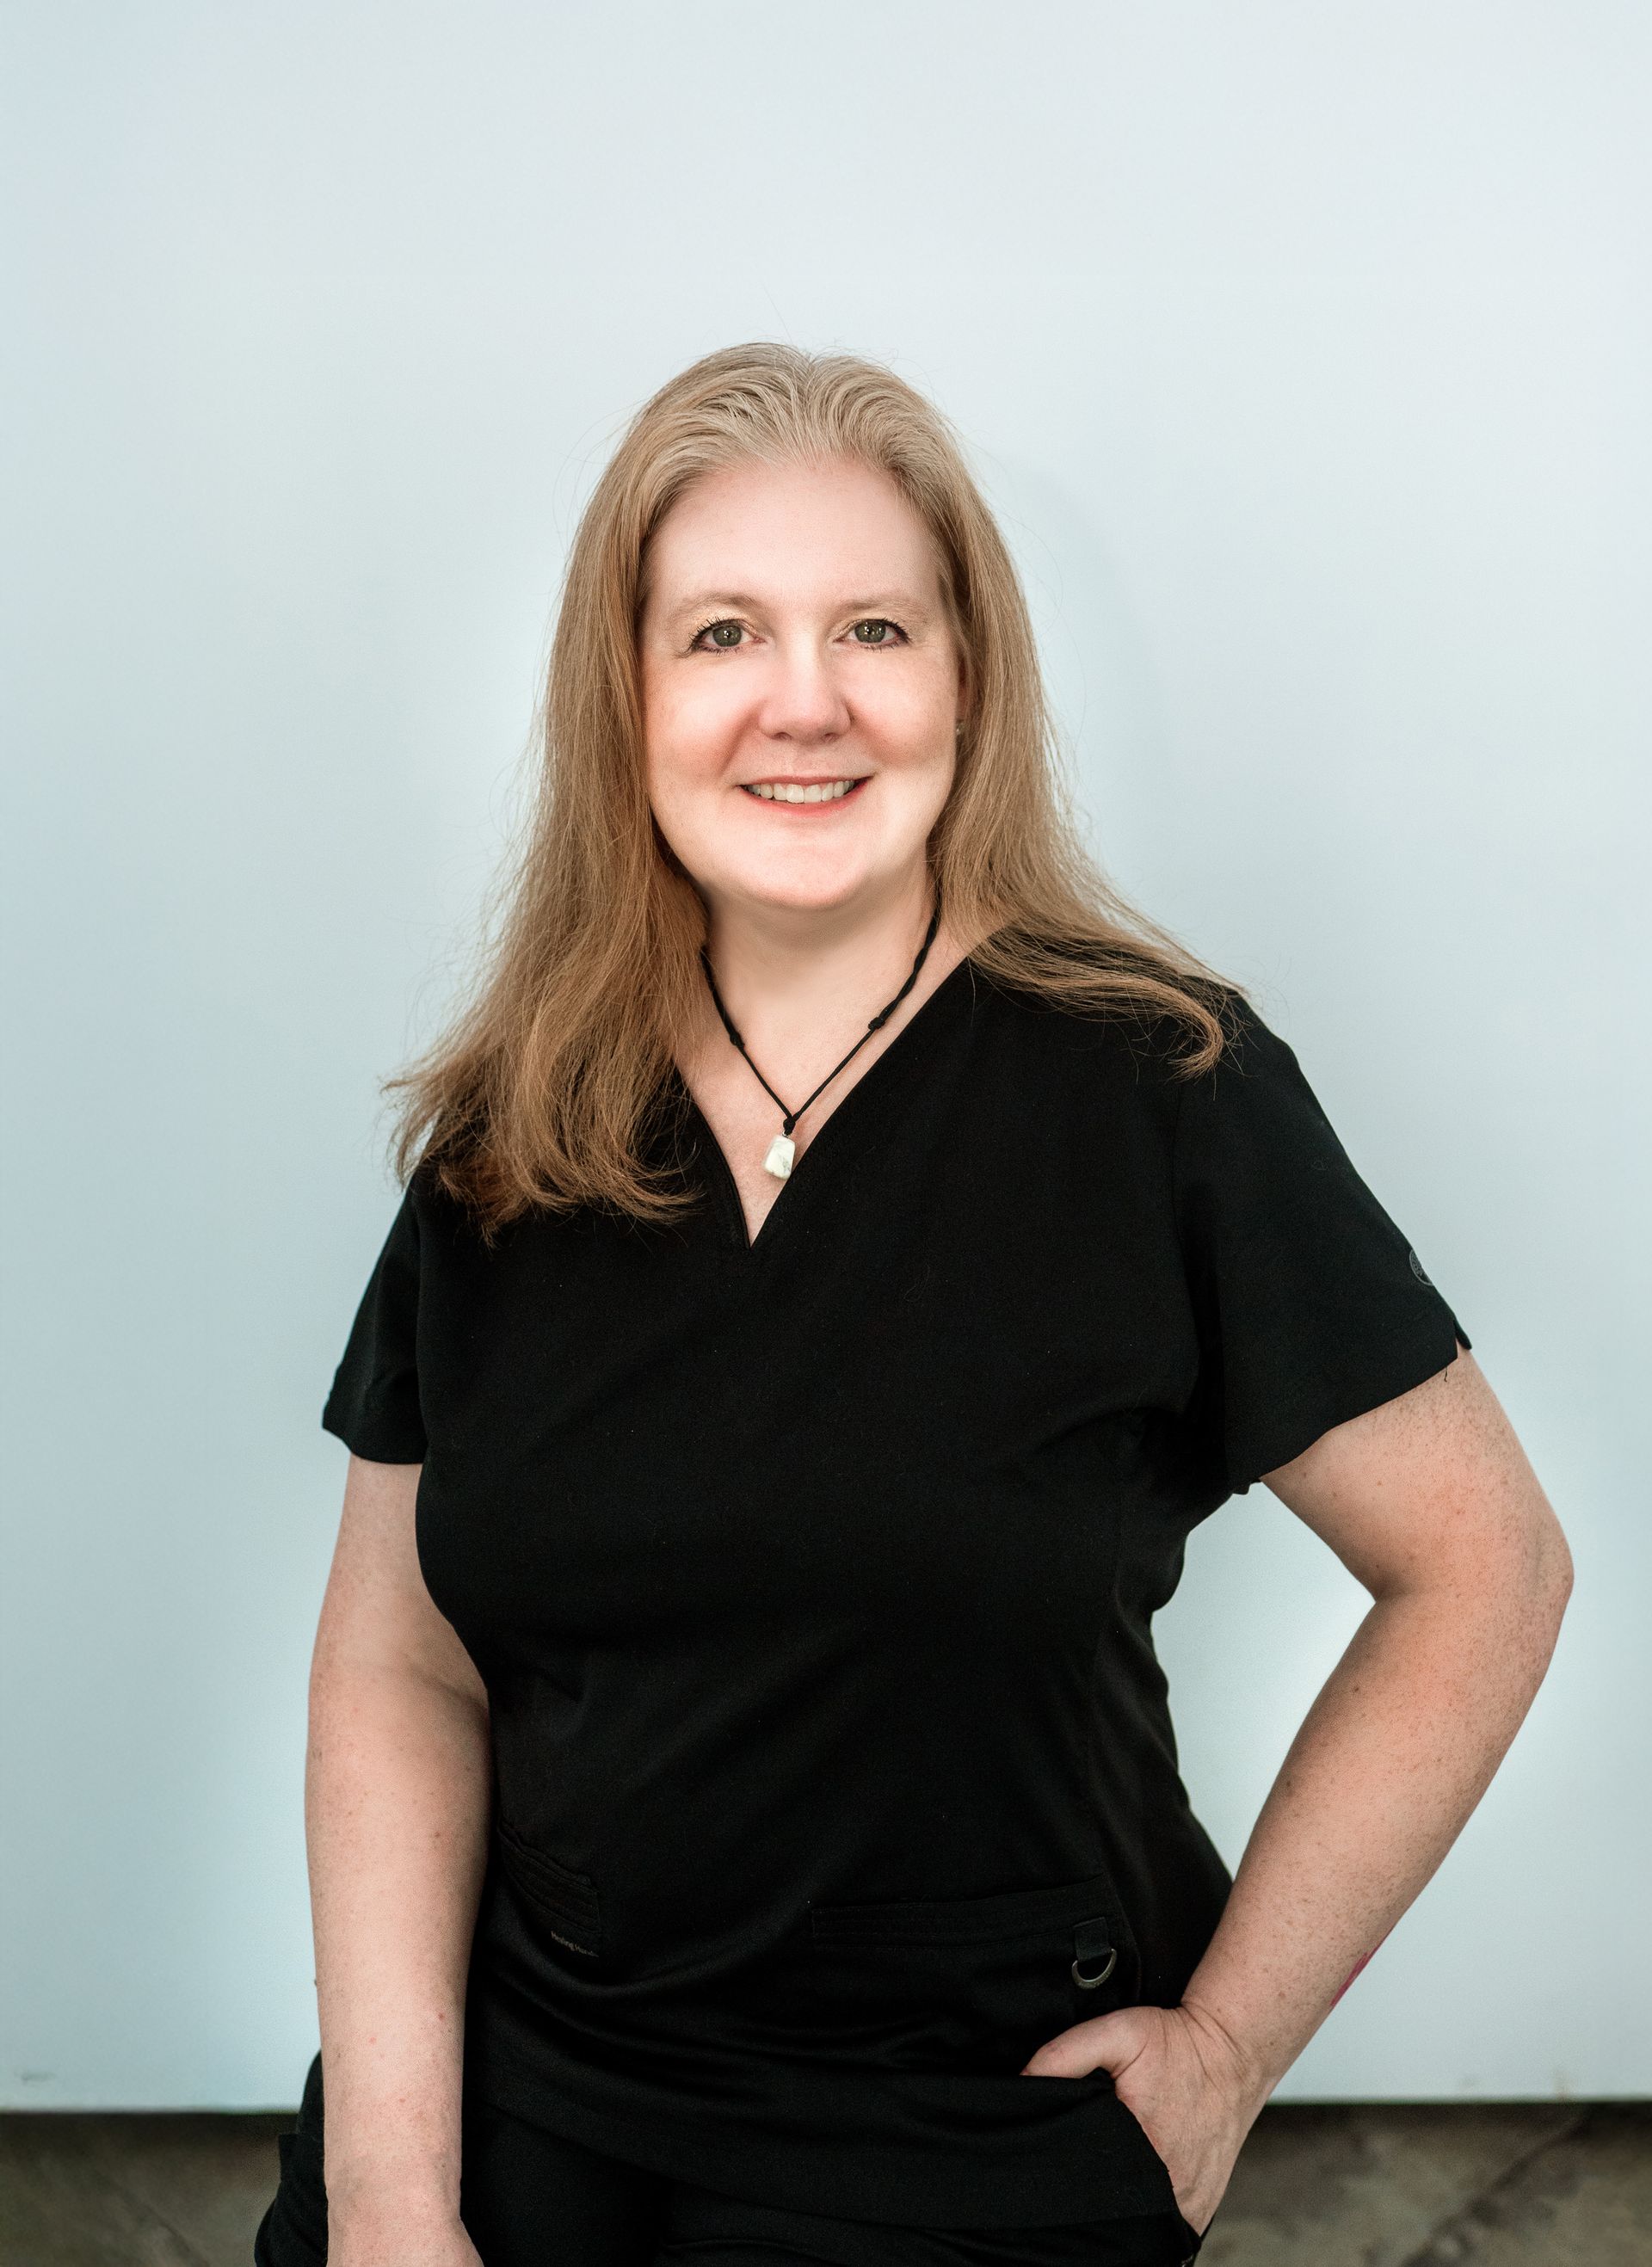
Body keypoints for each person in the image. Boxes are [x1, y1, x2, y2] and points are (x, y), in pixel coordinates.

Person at [254, 343, 1572, 2267]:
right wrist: (389, 2189)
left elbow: (1490, 1567)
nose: (806, 700)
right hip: (524, 2096)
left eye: (874, 626)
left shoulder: (1163, 1093)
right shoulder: (511, 1133)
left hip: (974, 2133)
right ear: (624, 696)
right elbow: (402, 1669)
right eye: (720, 634)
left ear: (969, 681)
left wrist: (1223, 2046)